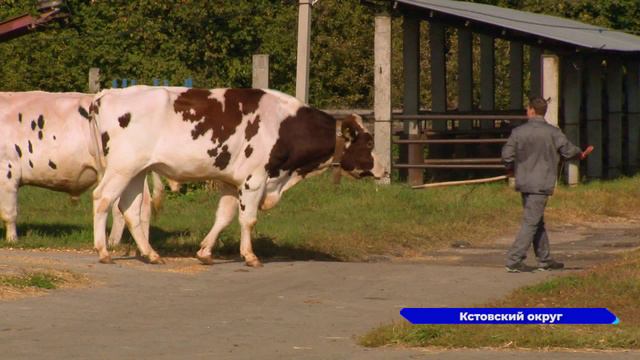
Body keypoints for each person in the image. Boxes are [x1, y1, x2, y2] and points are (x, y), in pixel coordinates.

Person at [501, 96, 593, 273]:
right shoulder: (552, 132)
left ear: (531, 110)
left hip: (524, 182)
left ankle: (545, 259)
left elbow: (507, 156)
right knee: (531, 221)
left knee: (536, 220)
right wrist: (580, 154)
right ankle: (514, 260)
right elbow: (568, 150)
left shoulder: (518, 132)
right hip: (541, 183)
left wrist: (510, 169)